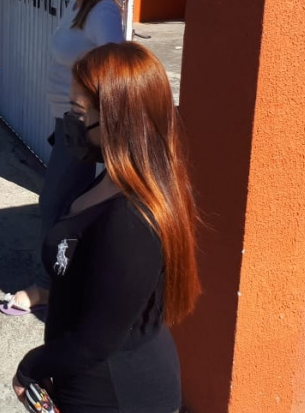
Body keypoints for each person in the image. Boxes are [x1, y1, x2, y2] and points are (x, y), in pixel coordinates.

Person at [13, 41, 201, 411]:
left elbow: (94, 342)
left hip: (115, 391)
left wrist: (29, 368)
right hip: (80, 372)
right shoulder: (108, 180)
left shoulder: (131, 220)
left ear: (118, 120)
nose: (71, 122)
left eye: (78, 112)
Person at [0, 0, 125, 316]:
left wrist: (89, 108)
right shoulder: (78, 5)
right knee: (68, 202)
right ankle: (72, 276)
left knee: (54, 203)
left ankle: (49, 286)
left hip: (82, 124)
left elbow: (116, 64)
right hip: (67, 121)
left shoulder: (101, 12)